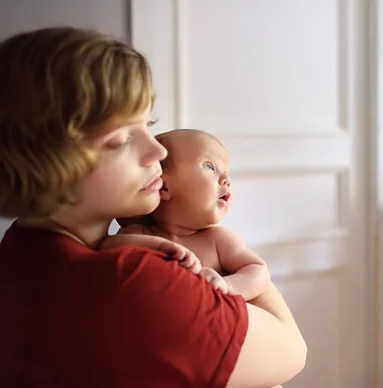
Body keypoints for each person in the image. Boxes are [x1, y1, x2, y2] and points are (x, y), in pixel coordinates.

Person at [0, 27, 306, 388]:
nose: (158, 151)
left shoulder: (18, 248)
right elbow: (293, 351)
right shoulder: (133, 283)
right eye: (121, 139)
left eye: (148, 124)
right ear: (47, 162)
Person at [102, 129, 271, 302]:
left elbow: (258, 270)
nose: (226, 180)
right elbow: (107, 249)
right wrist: (158, 246)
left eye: (226, 172)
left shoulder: (218, 240)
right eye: (209, 166)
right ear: (164, 187)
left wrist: (228, 286)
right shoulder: (144, 234)